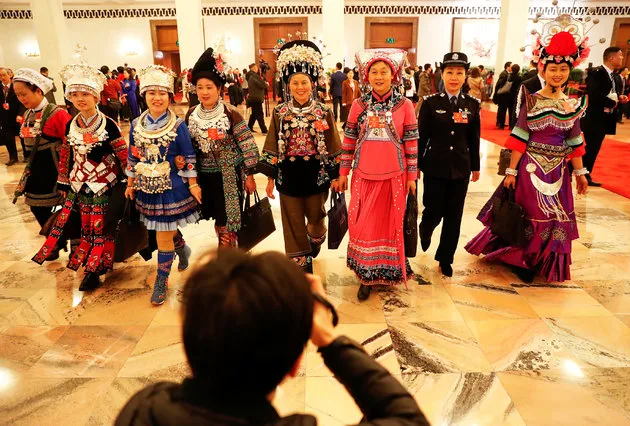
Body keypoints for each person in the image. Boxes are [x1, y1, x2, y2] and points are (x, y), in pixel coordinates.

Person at [115, 249, 431, 426]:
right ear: (294, 365)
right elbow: (408, 419)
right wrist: (329, 338)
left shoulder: (143, 411)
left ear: (188, 347)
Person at [466, 15, 590, 283]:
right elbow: (520, 137)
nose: (557, 74)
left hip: (558, 171)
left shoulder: (573, 105)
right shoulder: (531, 101)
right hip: (530, 167)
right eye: (552, 69)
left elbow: (575, 142)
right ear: (543, 70)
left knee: (555, 217)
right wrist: (511, 170)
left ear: (570, 72)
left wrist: (580, 174)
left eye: (563, 70)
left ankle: (547, 261)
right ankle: (522, 260)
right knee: (528, 215)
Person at [32, 64, 128, 291]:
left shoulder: (109, 125)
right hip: (79, 184)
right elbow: (66, 154)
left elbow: (123, 154)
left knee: (102, 226)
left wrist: (130, 180)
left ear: (95, 95)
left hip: (104, 184)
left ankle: (96, 267)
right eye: (75, 94)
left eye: (85, 94)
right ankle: (91, 264)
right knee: (87, 226)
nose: (80, 99)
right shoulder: (70, 125)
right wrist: (63, 180)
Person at [336, 48, 418, 300]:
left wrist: (412, 176)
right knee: (363, 227)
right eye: (374, 72)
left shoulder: (405, 105)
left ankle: (390, 270)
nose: (379, 76)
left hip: (394, 177)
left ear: (394, 76)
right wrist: (343, 172)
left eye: (384, 72)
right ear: (366, 76)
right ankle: (365, 276)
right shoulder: (358, 105)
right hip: (364, 176)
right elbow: (349, 139)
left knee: (391, 227)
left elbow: (412, 141)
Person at [257, 40, 341, 273]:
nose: (300, 87)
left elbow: (334, 143)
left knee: (316, 217)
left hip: (317, 174)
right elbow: (272, 143)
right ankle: (301, 269)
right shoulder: (280, 112)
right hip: (288, 175)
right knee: (292, 223)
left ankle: (315, 237)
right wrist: (271, 178)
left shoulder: (323, 111)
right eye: (295, 83)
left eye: (304, 82)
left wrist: (336, 176)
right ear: (288, 84)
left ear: (312, 84)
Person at [124, 65, 201, 305]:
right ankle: (183, 249)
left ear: (170, 97)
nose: (157, 98)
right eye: (151, 93)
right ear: (144, 96)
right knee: (161, 227)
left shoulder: (178, 125)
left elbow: (188, 156)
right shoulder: (137, 124)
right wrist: (130, 183)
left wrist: (193, 185)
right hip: (146, 186)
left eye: (162, 93)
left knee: (162, 234)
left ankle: (161, 279)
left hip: (172, 186)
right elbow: (133, 156)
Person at [184, 48, 260, 248]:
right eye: (200, 87)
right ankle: (225, 246)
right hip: (204, 176)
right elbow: (186, 147)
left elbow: (248, 146)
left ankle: (227, 256)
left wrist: (250, 175)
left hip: (229, 175)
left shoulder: (230, 113)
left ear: (219, 89)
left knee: (229, 219)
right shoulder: (191, 114)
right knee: (217, 217)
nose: (204, 92)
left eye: (209, 87)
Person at [418, 52, 480, 278]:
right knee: (433, 209)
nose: (454, 77)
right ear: (442, 74)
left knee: (454, 215)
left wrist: (476, 166)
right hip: (434, 166)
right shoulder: (431, 103)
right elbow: (421, 136)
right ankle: (425, 228)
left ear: (465, 76)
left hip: (461, 168)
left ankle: (446, 257)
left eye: (459, 73)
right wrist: (415, 164)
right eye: (450, 72)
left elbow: (474, 136)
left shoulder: (472, 104)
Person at [12, 68, 73, 260]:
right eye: (17, 95)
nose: (21, 98)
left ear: (38, 90)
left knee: (68, 209)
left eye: (24, 94)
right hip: (36, 168)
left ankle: (66, 242)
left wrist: (66, 174)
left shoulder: (57, 114)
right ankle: (54, 240)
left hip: (55, 168)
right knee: (36, 206)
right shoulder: (28, 114)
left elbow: (70, 142)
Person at [581, 47, 628, 187]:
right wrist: (612, 103)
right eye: (620, 55)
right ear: (611, 58)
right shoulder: (597, 73)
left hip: (606, 117)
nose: (622, 58)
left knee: (594, 147)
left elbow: (610, 92)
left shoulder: (613, 75)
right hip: (594, 117)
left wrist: (620, 97)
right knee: (591, 147)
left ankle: (581, 172)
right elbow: (594, 94)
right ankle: (581, 172)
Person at [0, 66, 20, 166]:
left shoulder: (15, 86)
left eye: (4, 75)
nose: (2, 77)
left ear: (10, 75)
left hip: (17, 116)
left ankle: (27, 155)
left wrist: (20, 114)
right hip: (5, 117)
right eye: (0, 76)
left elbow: (22, 102)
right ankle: (13, 157)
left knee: (22, 137)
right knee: (8, 138)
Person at [246, 63, 268, 134]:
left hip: (253, 97)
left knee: (254, 114)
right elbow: (263, 85)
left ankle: (249, 127)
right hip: (256, 98)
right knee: (259, 114)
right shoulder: (254, 76)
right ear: (254, 68)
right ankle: (264, 130)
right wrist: (266, 84)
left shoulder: (250, 76)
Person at [493, 61, 513, 129]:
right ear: (507, 66)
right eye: (511, 66)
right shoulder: (504, 74)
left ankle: (499, 122)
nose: (512, 67)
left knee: (501, 109)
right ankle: (500, 123)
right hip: (502, 95)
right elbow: (499, 85)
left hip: (503, 95)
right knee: (502, 109)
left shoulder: (506, 74)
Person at [507, 64, 522, 129]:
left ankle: (503, 124)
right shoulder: (519, 77)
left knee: (508, 109)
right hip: (515, 95)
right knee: (513, 110)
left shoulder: (509, 76)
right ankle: (511, 125)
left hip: (508, 94)